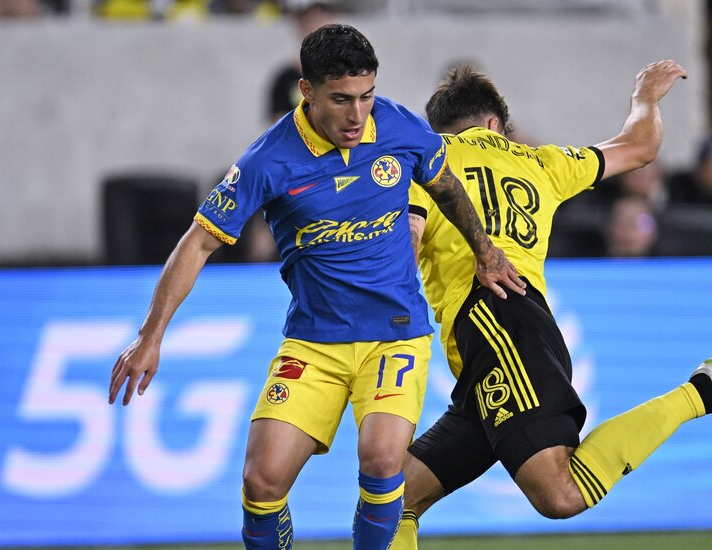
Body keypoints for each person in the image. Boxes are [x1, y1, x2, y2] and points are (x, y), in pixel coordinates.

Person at [107, 24, 524, 550]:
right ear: (307, 91)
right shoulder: (269, 159)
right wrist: (151, 335)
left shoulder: (400, 129)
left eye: (367, 96)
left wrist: (486, 253)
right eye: (342, 99)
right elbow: (197, 244)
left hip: (395, 335)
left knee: (381, 460)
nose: (357, 115)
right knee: (261, 482)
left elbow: (447, 187)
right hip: (314, 342)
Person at [393, 63, 712, 548]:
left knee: (559, 493)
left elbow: (408, 243)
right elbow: (640, 146)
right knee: (394, 502)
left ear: (440, 126)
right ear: (496, 124)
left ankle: (705, 392)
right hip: (517, 326)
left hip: (494, 323)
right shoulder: (539, 162)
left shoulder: (427, 162)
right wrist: (645, 95)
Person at [265, 0, 339, 125]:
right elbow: (278, 125)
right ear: (300, 25)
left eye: (322, 20)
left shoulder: (344, 75)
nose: (317, 26)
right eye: (311, 20)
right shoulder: (285, 78)